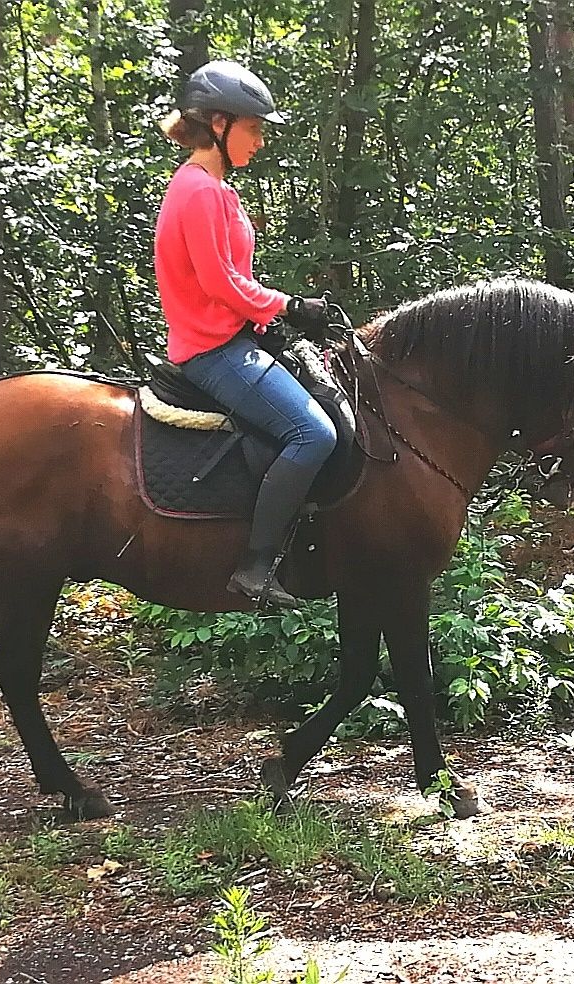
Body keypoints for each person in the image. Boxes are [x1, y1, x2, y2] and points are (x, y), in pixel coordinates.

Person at [155, 60, 335, 609]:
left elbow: (236, 283)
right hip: (214, 350)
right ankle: (256, 567)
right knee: (315, 435)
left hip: (236, 337)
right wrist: (289, 304)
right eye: (254, 128)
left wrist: (273, 318)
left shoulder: (216, 190)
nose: (259, 141)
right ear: (218, 123)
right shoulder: (198, 192)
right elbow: (221, 283)